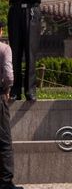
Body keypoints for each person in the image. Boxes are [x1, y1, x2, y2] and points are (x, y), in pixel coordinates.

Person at [1, 0, 48, 101]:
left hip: (32, 12)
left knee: (30, 53)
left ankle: (30, 91)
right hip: (15, 12)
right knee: (15, 52)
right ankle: (15, 90)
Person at [0, 21, 24, 189]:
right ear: (0, 31)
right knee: (4, 141)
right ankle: (5, 181)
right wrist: (7, 89)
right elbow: (9, 75)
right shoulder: (4, 49)